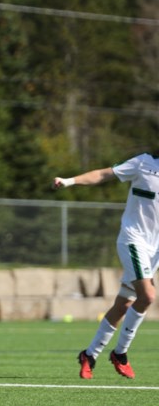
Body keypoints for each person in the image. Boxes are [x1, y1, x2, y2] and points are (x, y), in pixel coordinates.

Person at [54, 154, 159, 379]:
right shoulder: (143, 163)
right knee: (148, 296)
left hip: (154, 250)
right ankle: (120, 353)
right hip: (133, 240)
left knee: (123, 304)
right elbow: (103, 174)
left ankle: (89, 355)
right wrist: (70, 181)